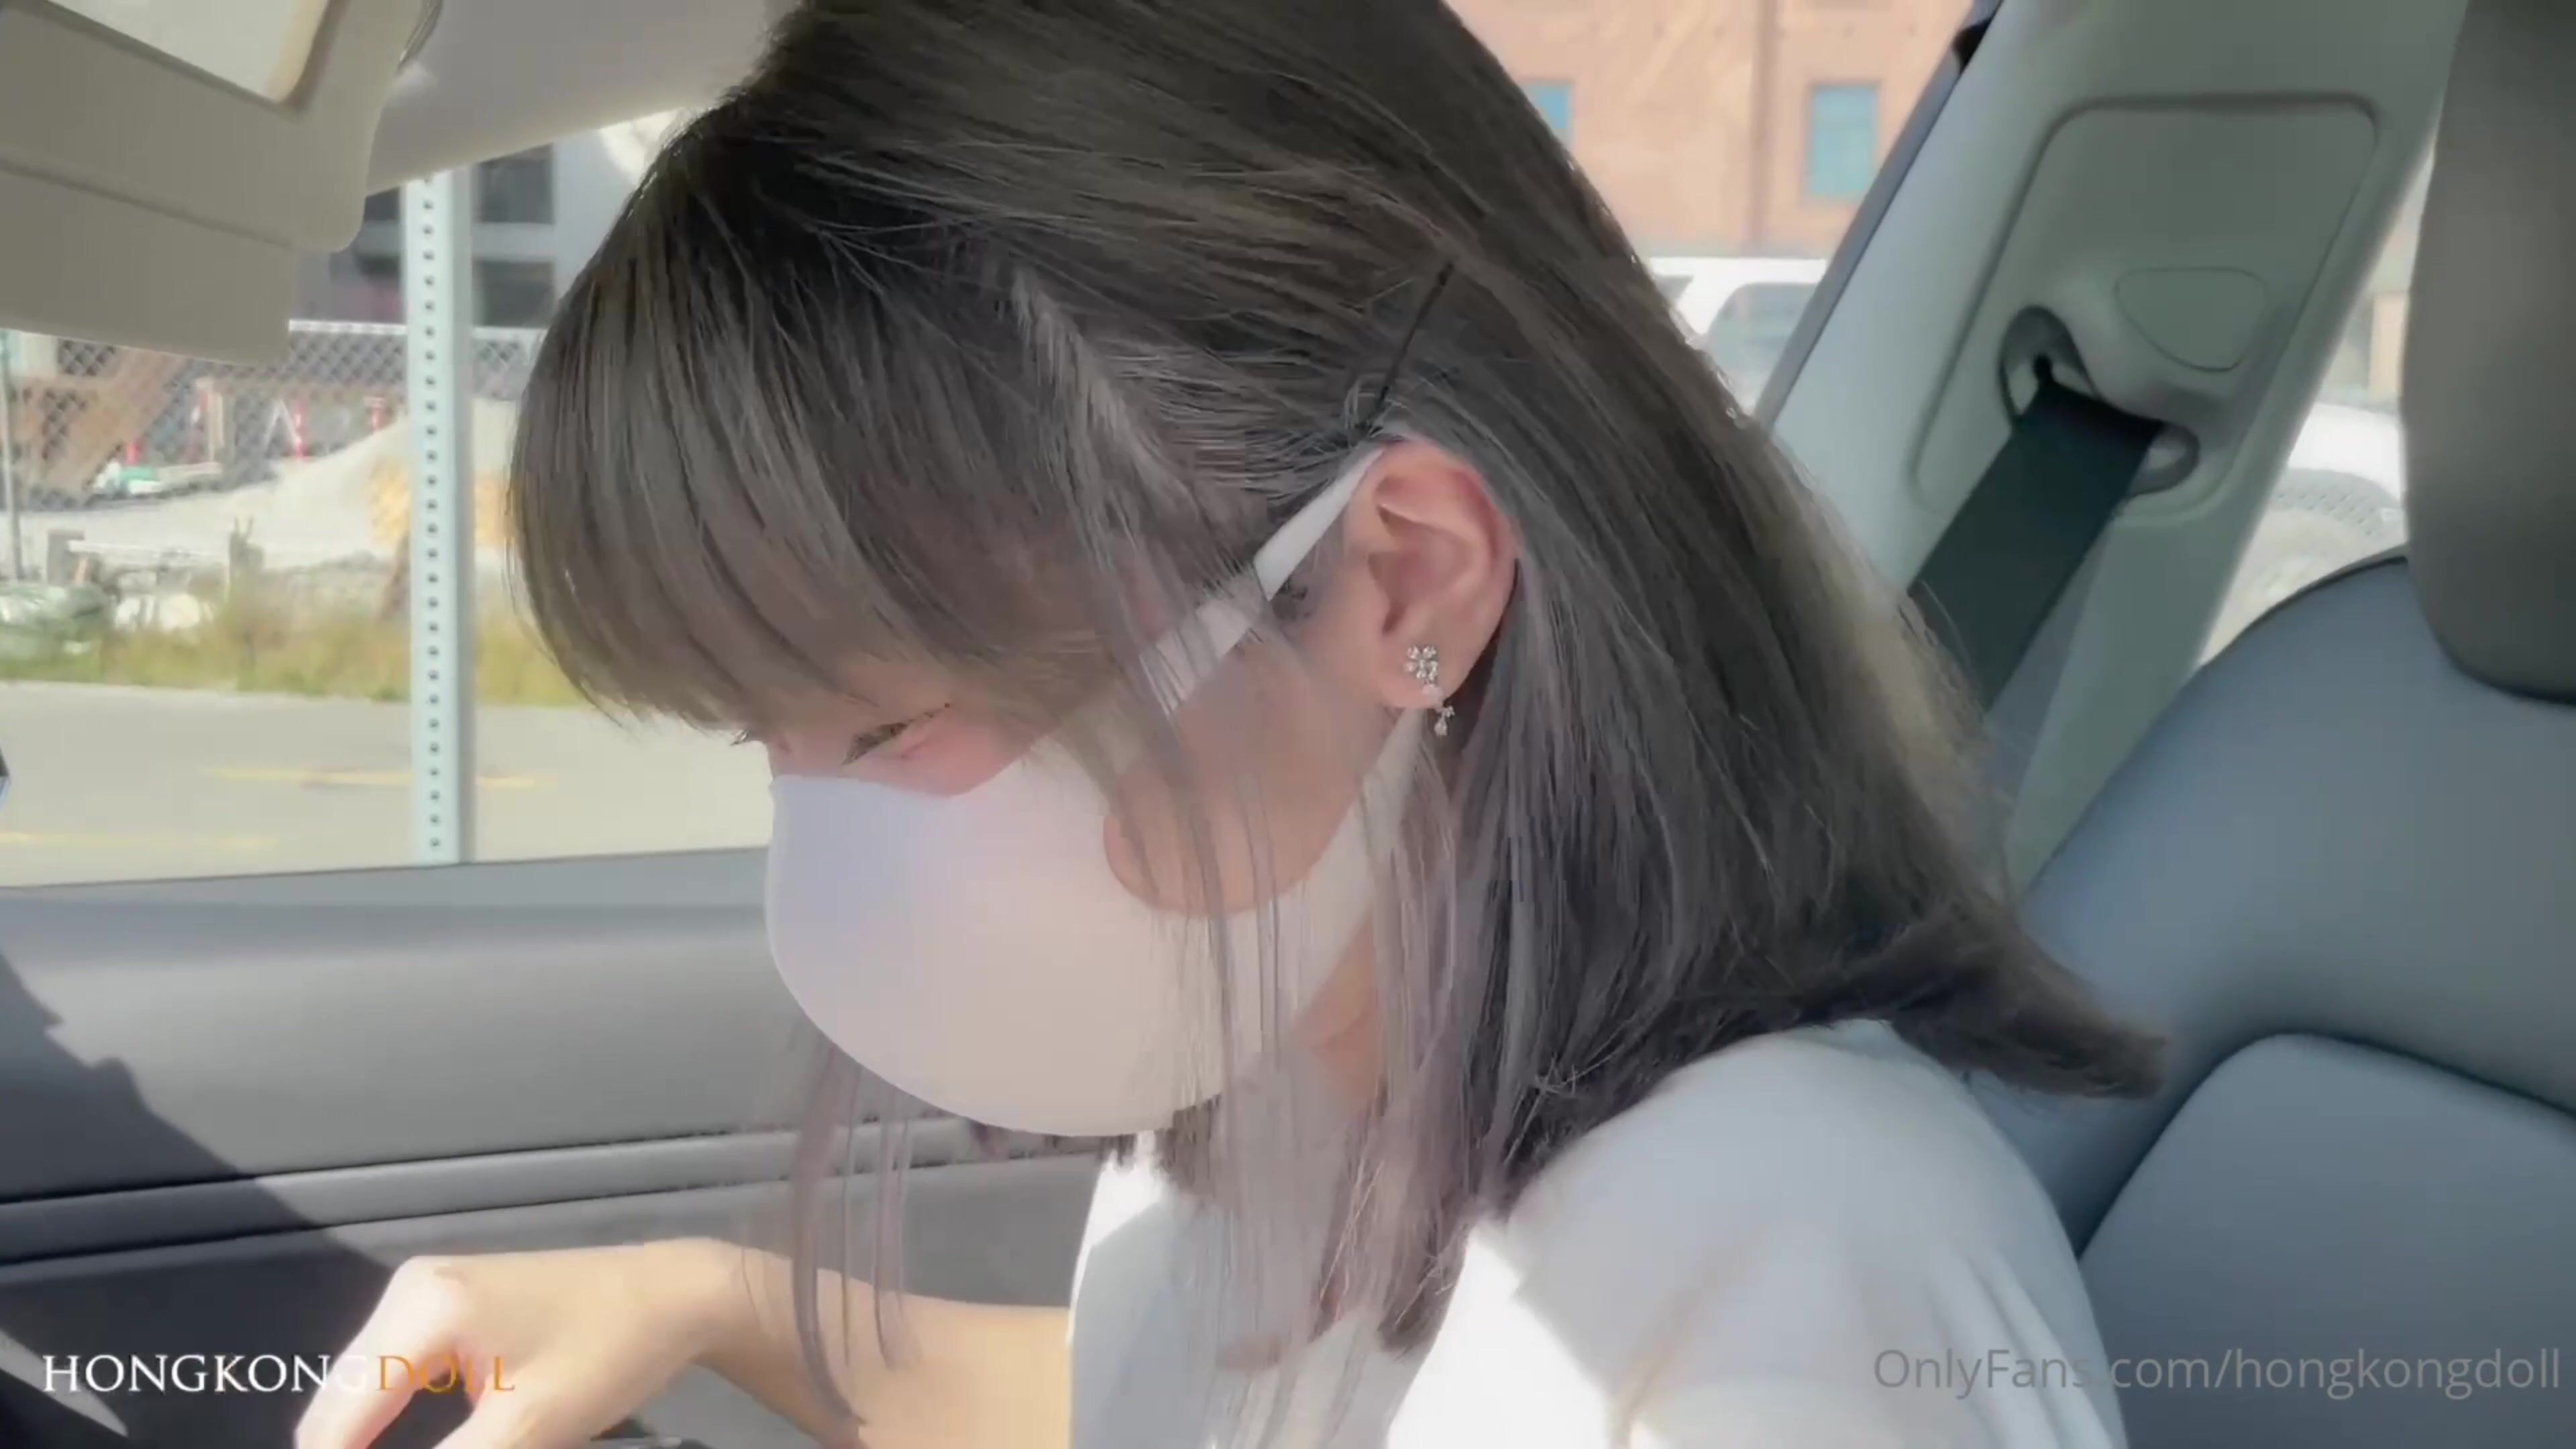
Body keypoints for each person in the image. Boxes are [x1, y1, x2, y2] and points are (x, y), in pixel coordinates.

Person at [297, 1, 2161, 1445]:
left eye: (882, 728)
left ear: (1403, 586)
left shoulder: (1791, 1287)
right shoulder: (1283, 1083)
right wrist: (715, 1302)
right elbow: (1156, 1405)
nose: (826, 864)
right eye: (756, 742)